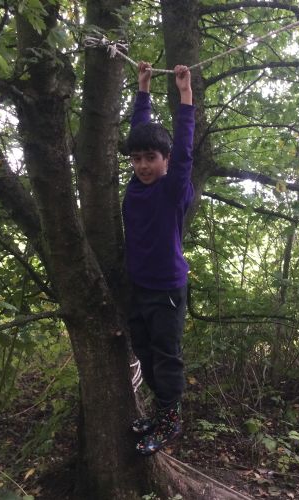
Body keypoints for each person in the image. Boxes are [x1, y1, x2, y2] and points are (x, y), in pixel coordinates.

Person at [122, 61, 195, 456]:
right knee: (146, 354)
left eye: (150, 158)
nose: (143, 166)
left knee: (166, 357)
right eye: (136, 159)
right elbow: (140, 131)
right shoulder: (136, 185)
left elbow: (183, 151)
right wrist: (143, 89)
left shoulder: (172, 189)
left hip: (166, 289)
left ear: (165, 160)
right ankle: (161, 412)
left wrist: (185, 95)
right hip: (138, 286)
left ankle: (171, 421)